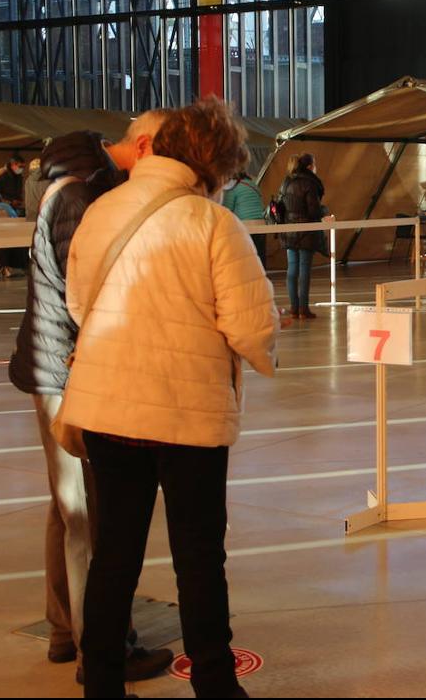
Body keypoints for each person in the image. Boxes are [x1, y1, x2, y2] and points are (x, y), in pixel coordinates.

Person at [65, 99, 279, 699]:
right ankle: (215, 682)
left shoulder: (102, 209)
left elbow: (79, 303)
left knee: (115, 553)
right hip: (188, 415)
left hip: (108, 407)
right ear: (216, 160)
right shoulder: (212, 223)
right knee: (198, 556)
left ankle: (102, 682)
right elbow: (250, 327)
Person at [8, 123, 172, 686]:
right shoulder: (79, 198)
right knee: (89, 515)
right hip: (68, 374)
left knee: (67, 508)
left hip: (49, 368)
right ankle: (99, 647)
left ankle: (64, 629)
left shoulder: (58, 189)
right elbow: (89, 295)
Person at [279, 153, 327, 319]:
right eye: (315, 164)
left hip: (289, 231)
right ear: (309, 166)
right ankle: (303, 308)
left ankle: (294, 307)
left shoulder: (286, 182)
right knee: (304, 269)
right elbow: (313, 210)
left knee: (292, 268)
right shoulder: (310, 183)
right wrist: (325, 211)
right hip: (307, 231)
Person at [222, 170, 267, 267]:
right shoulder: (253, 185)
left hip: (246, 225)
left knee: (247, 257)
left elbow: (226, 209)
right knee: (259, 255)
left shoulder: (234, 187)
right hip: (261, 223)